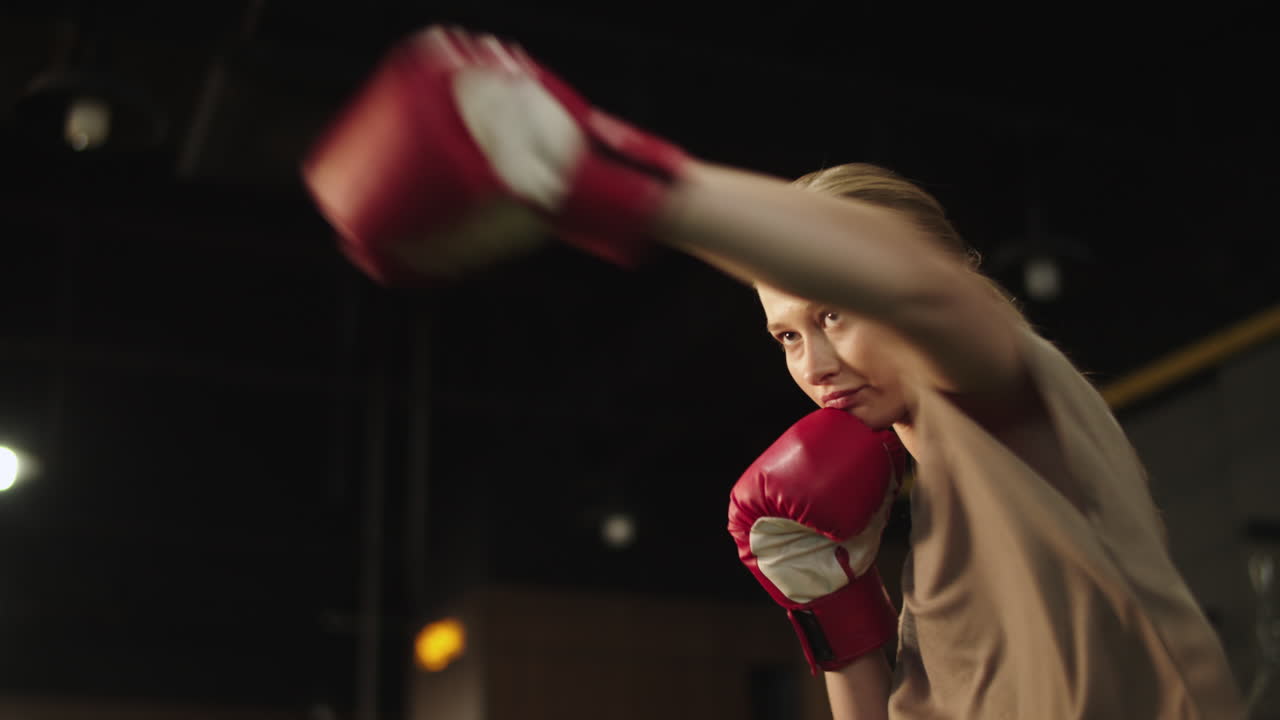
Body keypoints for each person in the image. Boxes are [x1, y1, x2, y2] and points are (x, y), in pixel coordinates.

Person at [301, 25, 1245, 719]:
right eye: (788, 338)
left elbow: (924, 294)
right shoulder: (940, 516)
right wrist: (840, 622)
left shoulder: (1004, 404)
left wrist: (583, 166)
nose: (817, 365)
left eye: (832, 313)